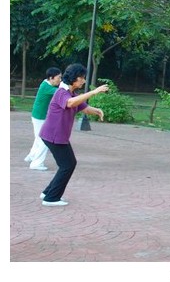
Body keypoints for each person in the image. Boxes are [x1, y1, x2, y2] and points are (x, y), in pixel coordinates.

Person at [38, 63, 109, 206]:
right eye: (82, 78)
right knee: (67, 165)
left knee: (67, 164)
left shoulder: (71, 93)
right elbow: (70, 103)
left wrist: (97, 111)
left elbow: (83, 106)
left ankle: (47, 192)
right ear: (74, 79)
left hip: (58, 137)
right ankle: (51, 198)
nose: (83, 81)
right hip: (53, 136)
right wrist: (94, 92)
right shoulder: (61, 93)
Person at [24, 67, 62, 171]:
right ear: (51, 78)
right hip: (40, 117)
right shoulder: (47, 87)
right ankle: (36, 163)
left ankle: (31, 156)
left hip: (38, 116)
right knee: (44, 140)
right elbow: (61, 92)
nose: (60, 80)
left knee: (38, 138)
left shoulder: (46, 83)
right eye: (58, 78)